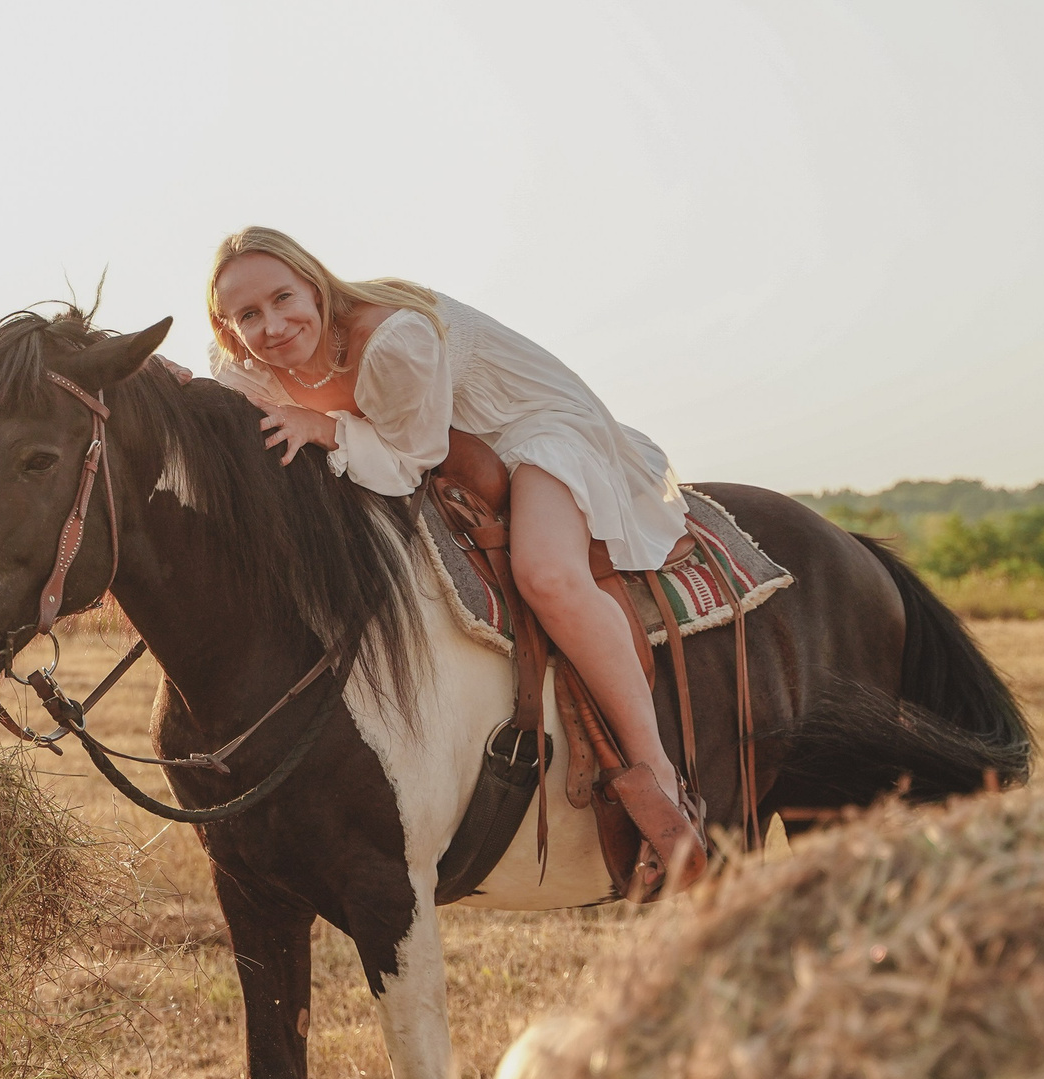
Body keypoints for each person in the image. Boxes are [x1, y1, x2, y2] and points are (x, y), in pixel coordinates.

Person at [198, 226, 710, 895]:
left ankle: (657, 778)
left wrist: (325, 426)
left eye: (283, 296)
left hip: (527, 427)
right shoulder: (247, 364)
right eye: (248, 315)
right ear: (227, 326)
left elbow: (411, 456)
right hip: (453, 448)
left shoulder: (391, 338)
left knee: (547, 574)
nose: (272, 323)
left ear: (314, 281)